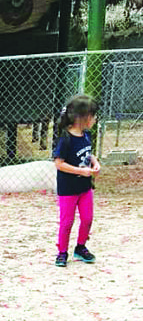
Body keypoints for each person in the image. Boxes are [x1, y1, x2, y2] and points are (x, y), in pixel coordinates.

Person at [53, 94, 100, 267]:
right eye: (92, 115)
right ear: (82, 117)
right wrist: (81, 170)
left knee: (87, 219)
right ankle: (62, 252)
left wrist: (95, 162)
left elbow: (88, 153)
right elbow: (58, 163)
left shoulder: (87, 135)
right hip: (68, 189)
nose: (95, 119)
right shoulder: (65, 139)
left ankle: (80, 247)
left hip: (85, 187)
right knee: (67, 222)